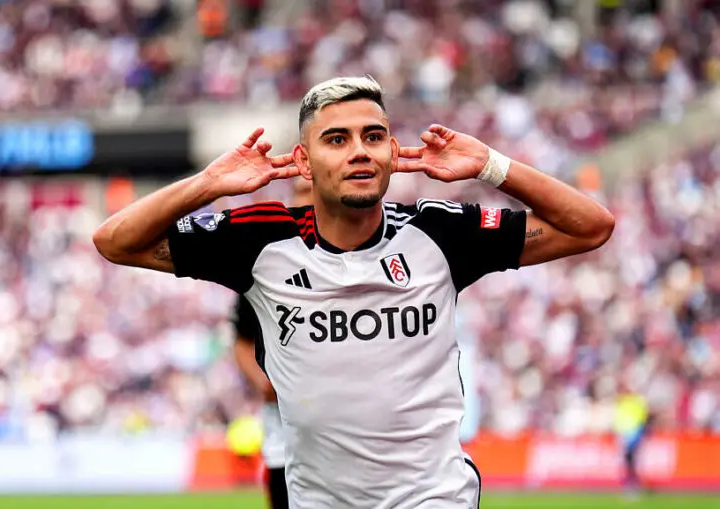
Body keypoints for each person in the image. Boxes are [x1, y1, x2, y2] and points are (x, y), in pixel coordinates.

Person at [93, 76, 615, 508]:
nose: (359, 152)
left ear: (392, 151)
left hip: (434, 498)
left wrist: (488, 166)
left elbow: (590, 227)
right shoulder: (260, 239)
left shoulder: (438, 233)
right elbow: (115, 241)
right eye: (337, 139)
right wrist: (207, 183)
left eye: (373, 136)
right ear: (303, 162)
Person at [232, 177, 312, 509]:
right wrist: (263, 383)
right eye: (299, 194)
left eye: (311, 193)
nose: (304, 203)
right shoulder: (266, 265)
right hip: (283, 422)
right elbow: (241, 341)